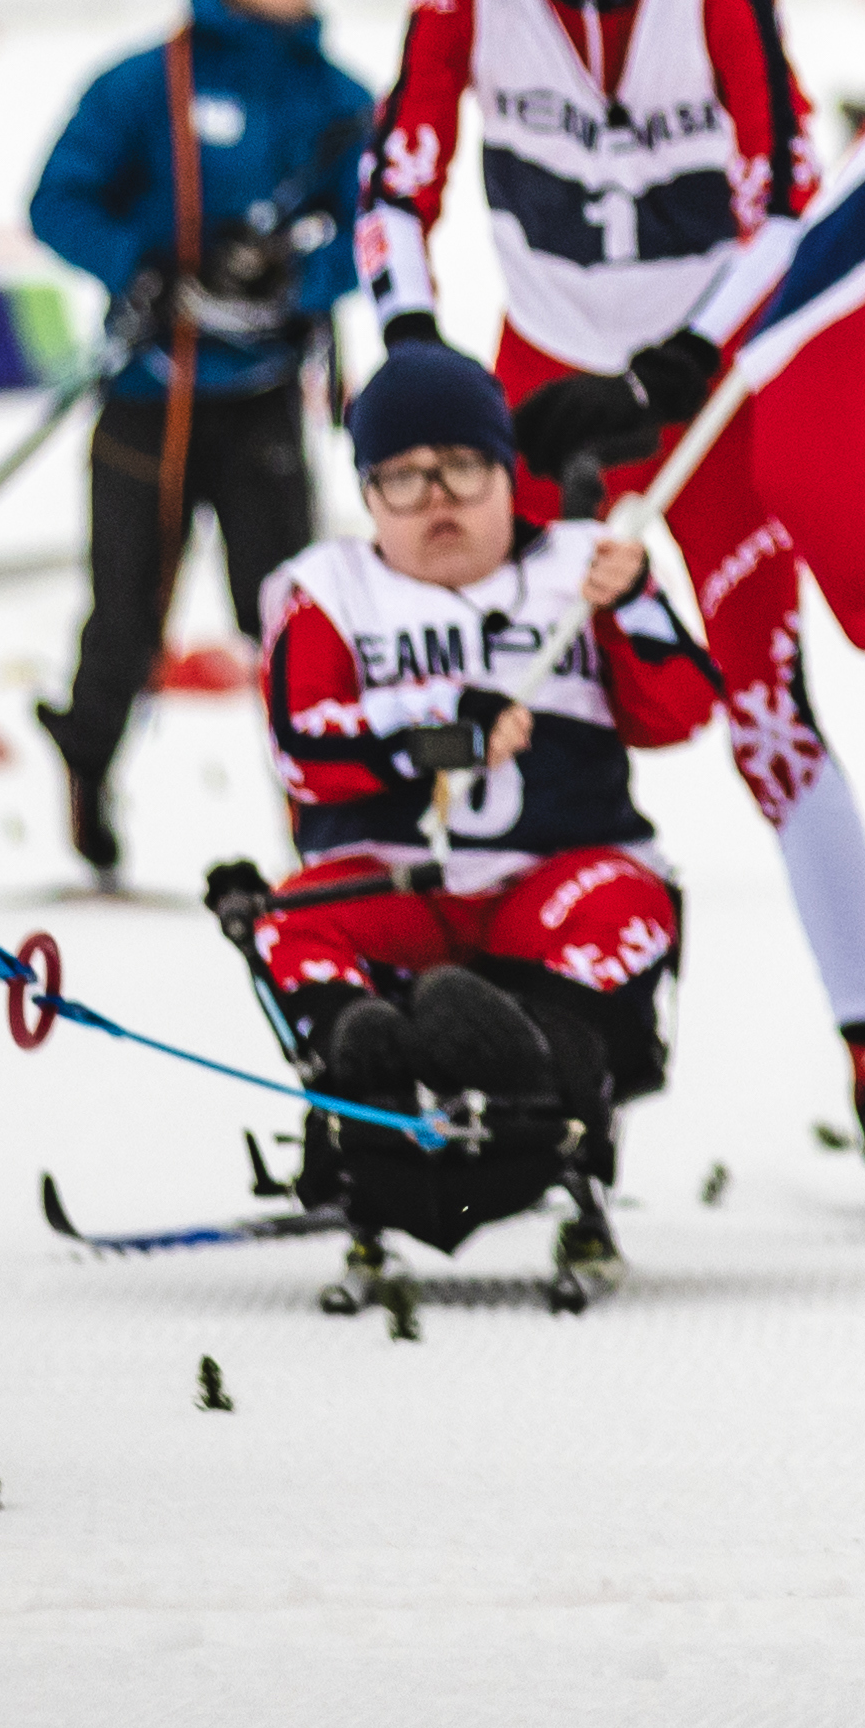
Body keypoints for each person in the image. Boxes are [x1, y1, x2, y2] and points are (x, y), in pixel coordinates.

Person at [353, 0, 865, 1225]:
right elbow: (392, 192)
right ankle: (485, 1056)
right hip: (525, 398)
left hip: (698, 407)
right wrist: (411, 353)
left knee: (769, 716)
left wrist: (676, 365)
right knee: (499, 706)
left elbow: (784, 201)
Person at [240, 345, 719, 1263]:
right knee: (289, 918)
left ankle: (528, 1060)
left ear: (506, 473)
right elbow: (304, 744)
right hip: (401, 888)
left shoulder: (583, 566)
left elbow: (683, 708)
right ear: (367, 493)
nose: (438, 501)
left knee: (632, 901)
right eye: (404, 479)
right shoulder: (328, 594)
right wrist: (439, 732)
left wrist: (640, 604)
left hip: (555, 882)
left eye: (462, 469)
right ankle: (368, 1070)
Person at [23, 0, 372, 882]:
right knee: (125, 614)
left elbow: (380, 225)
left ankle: (321, 819)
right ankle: (88, 760)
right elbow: (58, 200)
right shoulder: (148, 79)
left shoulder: (343, 98)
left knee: (287, 620)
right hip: (151, 395)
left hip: (263, 400)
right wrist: (154, 264)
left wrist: (296, 277)